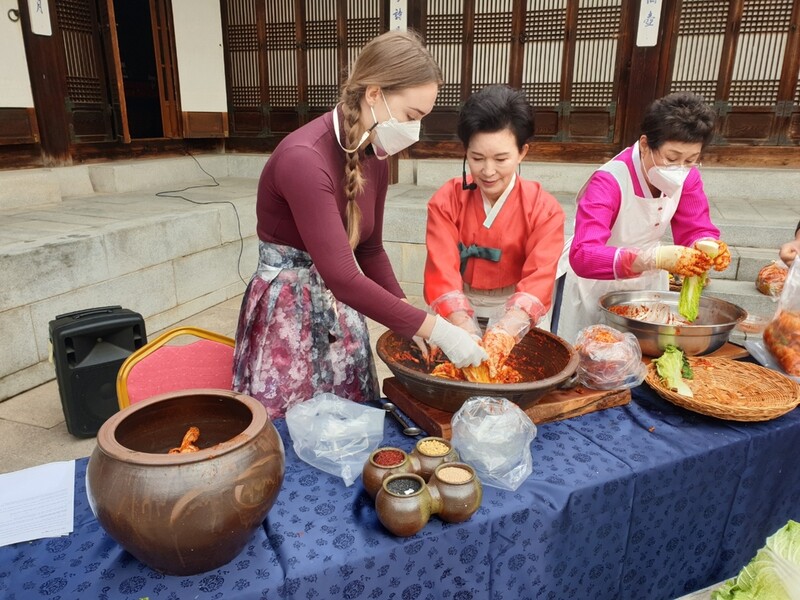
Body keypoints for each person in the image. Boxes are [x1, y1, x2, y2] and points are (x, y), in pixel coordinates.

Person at [232, 31, 487, 419]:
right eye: (411, 117)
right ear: (374, 94)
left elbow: (370, 249)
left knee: (351, 417)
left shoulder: (374, 152)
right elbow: (343, 277)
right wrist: (438, 329)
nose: (414, 130)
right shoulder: (304, 158)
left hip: (340, 305)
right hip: (290, 309)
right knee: (295, 425)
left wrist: (405, 316)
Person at [558, 91, 731, 343]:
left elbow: (695, 227)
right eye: (671, 158)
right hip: (596, 281)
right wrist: (653, 258)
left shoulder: (687, 176)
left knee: (644, 355)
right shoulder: (609, 181)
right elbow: (583, 254)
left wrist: (706, 245)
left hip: (647, 285)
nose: (680, 168)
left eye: (691, 160)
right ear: (644, 144)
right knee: (592, 353)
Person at [423, 84, 565, 360]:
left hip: (517, 309)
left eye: (501, 159)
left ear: (522, 152)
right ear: (465, 151)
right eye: (477, 158)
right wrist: (463, 327)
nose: (488, 171)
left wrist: (506, 330)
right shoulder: (445, 200)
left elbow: (539, 278)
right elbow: (441, 271)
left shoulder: (544, 208)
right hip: (456, 304)